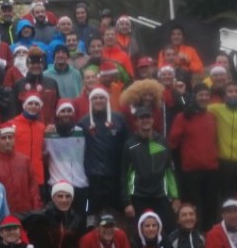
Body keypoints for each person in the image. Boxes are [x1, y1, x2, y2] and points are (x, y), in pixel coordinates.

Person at [168, 83, 219, 231]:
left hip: (211, 169)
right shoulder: (183, 116)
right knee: (193, 207)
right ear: (194, 96)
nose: (204, 98)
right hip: (191, 171)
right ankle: (193, 235)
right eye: (201, 95)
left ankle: (209, 235)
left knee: (210, 207)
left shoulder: (211, 116)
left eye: (206, 95)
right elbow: (173, 142)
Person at [120, 106, 180, 231]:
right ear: (136, 121)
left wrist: (175, 197)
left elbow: (169, 171)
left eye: (148, 117)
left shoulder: (162, 143)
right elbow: (124, 174)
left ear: (152, 120)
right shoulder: (130, 145)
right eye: (142, 118)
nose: (145, 120)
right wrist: (127, 202)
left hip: (161, 195)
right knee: (142, 231)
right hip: (138, 196)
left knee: (169, 230)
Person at [79, 87, 128, 222]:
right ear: (91, 101)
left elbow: (127, 143)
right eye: (95, 98)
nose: (98, 100)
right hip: (93, 176)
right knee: (93, 212)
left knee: (116, 211)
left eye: (102, 98)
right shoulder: (83, 122)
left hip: (114, 174)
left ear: (107, 100)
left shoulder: (118, 119)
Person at [43, 100, 89, 216]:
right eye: (63, 111)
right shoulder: (49, 133)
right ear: (57, 114)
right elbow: (42, 153)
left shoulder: (82, 132)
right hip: (57, 183)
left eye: (69, 111)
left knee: (80, 220)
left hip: (80, 184)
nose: (66, 114)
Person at [0, 123, 42, 216]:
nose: (7, 141)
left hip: (26, 212)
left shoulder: (24, 160)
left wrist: (37, 209)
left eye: (10, 137)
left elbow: (33, 188)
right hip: (3, 214)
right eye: (3, 138)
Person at [13, 46, 59, 125]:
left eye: (39, 63)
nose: (36, 66)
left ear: (43, 65)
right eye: (33, 63)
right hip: (27, 130)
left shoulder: (52, 83)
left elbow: (57, 107)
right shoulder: (19, 84)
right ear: (27, 64)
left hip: (49, 129)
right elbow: (14, 111)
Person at [11, 96, 47, 191]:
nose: (33, 106)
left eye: (36, 104)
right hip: (18, 172)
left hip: (37, 174)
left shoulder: (42, 127)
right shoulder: (12, 124)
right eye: (30, 103)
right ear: (24, 106)